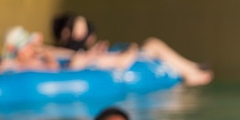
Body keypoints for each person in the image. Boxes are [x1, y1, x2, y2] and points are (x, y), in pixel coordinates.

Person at [50, 13, 212, 85]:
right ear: (67, 33)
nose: (88, 33)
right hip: (120, 60)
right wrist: (131, 49)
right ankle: (191, 71)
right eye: (82, 30)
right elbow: (122, 61)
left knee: (152, 44)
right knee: (153, 44)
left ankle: (191, 69)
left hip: (109, 58)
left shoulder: (76, 53)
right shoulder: (73, 55)